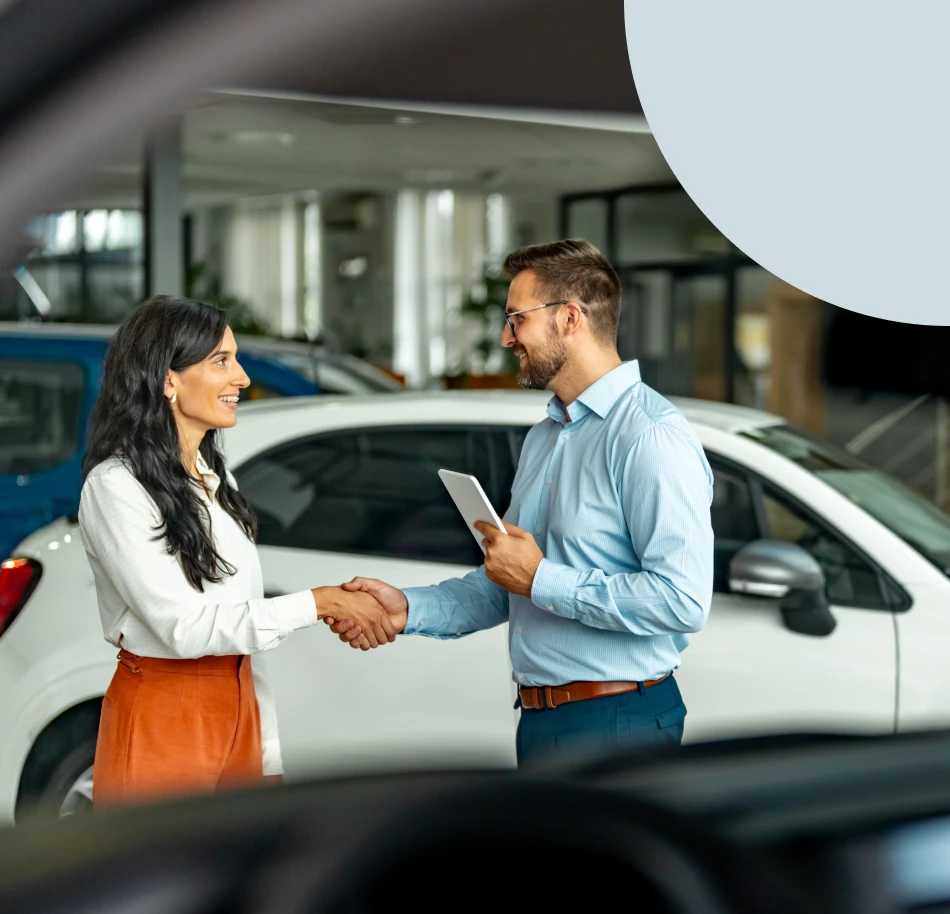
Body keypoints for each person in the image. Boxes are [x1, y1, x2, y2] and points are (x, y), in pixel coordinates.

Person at [327, 240, 714, 765]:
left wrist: (541, 578)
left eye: (517, 319)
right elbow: (507, 583)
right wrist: (408, 608)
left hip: (619, 724)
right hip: (541, 722)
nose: (507, 338)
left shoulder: (649, 436)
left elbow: (682, 600)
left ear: (570, 318)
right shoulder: (546, 436)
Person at [78, 295, 393, 808]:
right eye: (221, 360)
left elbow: (238, 632)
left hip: (238, 703)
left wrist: (266, 754)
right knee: (169, 881)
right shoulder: (115, 487)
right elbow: (183, 630)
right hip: (166, 712)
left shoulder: (214, 475)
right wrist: (320, 602)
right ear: (167, 380)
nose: (242, 378)